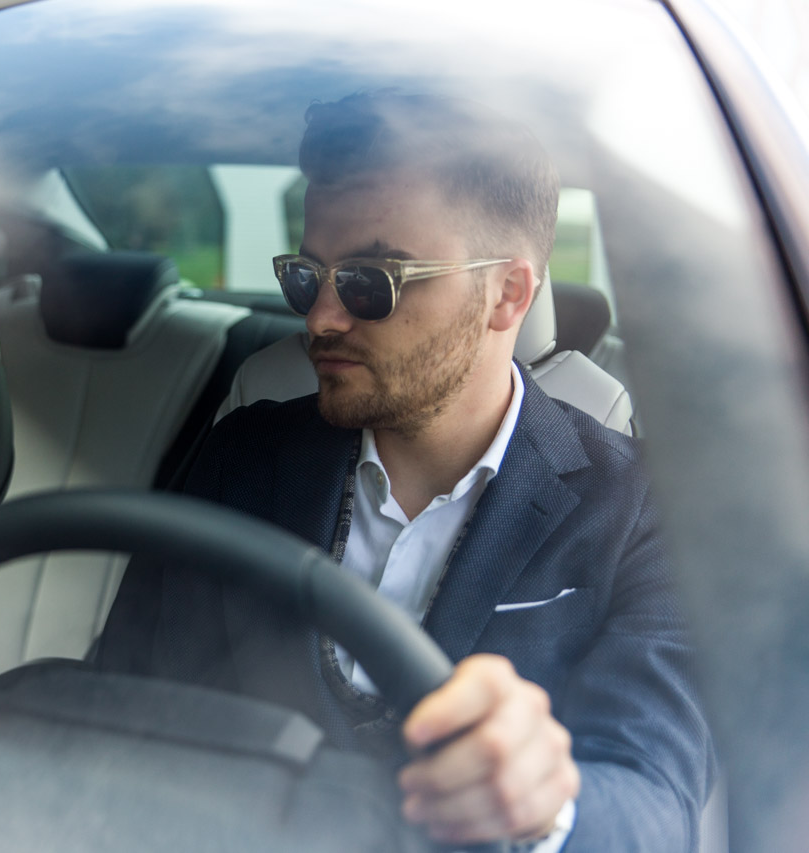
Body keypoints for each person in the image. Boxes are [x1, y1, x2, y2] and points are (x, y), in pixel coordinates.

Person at [100, 92, 713, 851]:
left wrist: (546, 808)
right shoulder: (241, 455)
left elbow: (656, 797)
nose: (320, 318)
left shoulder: (644, 511)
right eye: (306, 276)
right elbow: (118, 703)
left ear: (508, 295)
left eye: (370, 282)